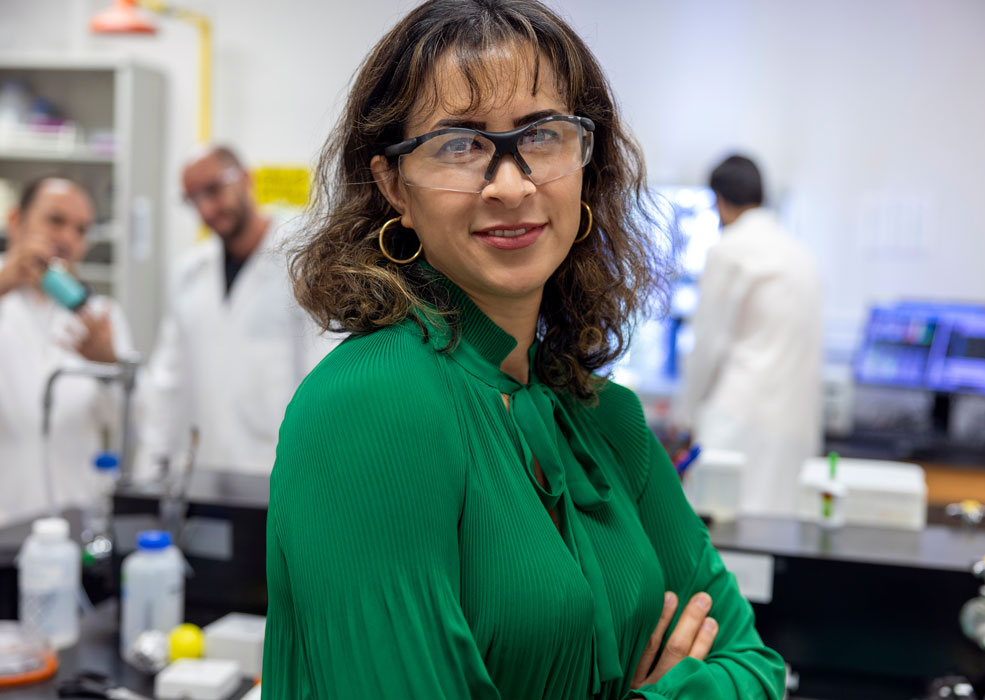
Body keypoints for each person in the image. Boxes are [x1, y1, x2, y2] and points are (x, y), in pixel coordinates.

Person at [263, 2, 785, 698]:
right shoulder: (369, 405)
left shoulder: (606, 421)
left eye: (541, 136)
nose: (512, 185)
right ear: (394, 185)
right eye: (459, 143)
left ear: (585, 161)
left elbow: (755, 667)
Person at [138, 145, 339, 477]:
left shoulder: (304, 261)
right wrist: (150, 470)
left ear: (246, 179)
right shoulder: (189, 273)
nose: (206, 208)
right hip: (203, 468)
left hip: (279, 468)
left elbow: (322, 376)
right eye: (193, 199)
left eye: (213, 190)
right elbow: (168, 382)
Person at [682, 155, 823, 517]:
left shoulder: (728, 250)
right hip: (793, 427)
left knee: (718, 534)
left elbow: (708, 345)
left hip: (736, 420)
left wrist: (684, 416)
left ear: (719, 201)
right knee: (774, 536)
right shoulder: (800, 253)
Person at [0, 176, 133, 525]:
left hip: (74, 519)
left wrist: (109, 364)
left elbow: (131, 425)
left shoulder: (100, 317)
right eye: (55, 221)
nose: (68, 239)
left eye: (81, 230)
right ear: (15, 222)